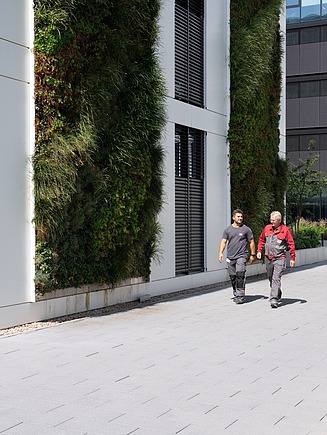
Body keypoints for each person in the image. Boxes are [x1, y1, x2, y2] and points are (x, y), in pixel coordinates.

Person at [257, 211, 296, 308]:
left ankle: (273, 299)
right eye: (271, 219)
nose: (271, 221)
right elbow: (261, 239)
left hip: (279, 258)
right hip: (268, 258)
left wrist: (292, 258)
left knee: (276, 278)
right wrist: (259, 251)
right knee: (271, 278)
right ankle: (277, 292)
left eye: (273, 220)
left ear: (279, 220)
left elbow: (291, 244)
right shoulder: (267, 228)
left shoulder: (285, 230)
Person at [218, 209, 256, 304]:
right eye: (238, 216)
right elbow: (223, 241)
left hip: (242, 255)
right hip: (230, 257)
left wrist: (253, 254)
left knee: (240, 274)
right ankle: (236, 292)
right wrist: (220, 253)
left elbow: (251, 241)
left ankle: (240, 295)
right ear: (233, 217)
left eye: (241, 217)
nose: (240, 218)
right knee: (233, 276)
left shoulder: (246, 229)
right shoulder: (228, 230)